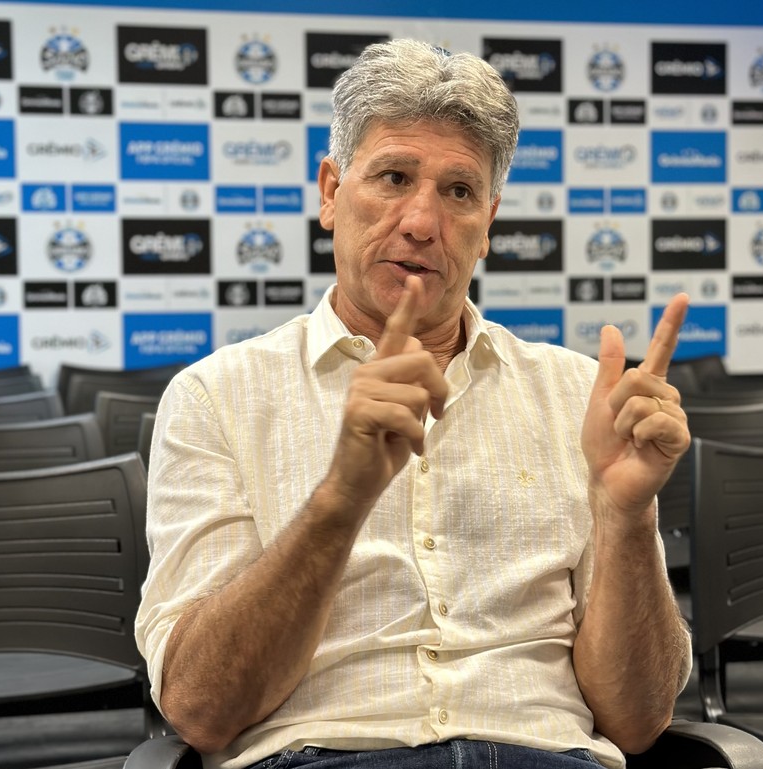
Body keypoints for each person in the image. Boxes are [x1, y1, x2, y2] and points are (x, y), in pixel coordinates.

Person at [135, 38, 692, 769]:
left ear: (488, 221)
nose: (423, 222)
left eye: (459, 192)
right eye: (394, 177)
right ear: (332, 192)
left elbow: (640, 719)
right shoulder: (216, 398)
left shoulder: (574, 396)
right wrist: (342, 498)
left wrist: (627, 515)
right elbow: (201, 710)